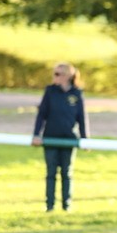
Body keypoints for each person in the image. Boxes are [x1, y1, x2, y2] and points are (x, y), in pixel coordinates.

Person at [31, 62, 88, 212]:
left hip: (69, 139)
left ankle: (66, 205)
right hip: (50, 137)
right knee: (51, 173)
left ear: (67, 76)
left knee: (66, 173)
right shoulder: (50, 92)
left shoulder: (76, 94)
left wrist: (85, 139)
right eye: (54, 74)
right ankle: (50, 206)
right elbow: (42, 114)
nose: (54, 77)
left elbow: (82, 118)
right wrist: (36, 135)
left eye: (57, 74)